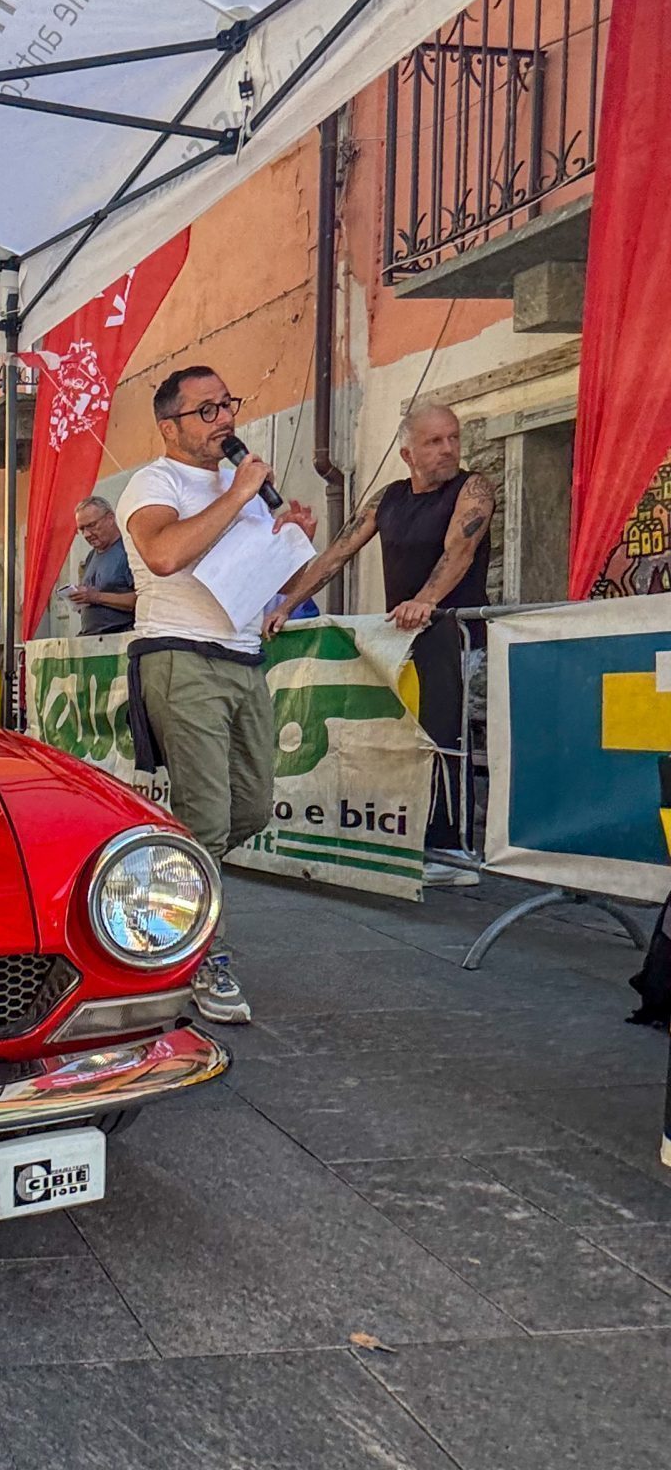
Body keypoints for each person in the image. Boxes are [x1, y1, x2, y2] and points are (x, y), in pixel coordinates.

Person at [117, 367, 314, 1028]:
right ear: (169, 426)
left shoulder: (241, 489)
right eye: (206, 410)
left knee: (251, 807)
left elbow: (265, 582)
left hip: (242, 656)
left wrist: (292, 543)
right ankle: (202, 956)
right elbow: (164, 554)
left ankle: (152, 891)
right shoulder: (157, 483)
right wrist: (239, 495)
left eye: (228, 404)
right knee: (205, 817)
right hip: (180, 654)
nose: (224, 418)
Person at [269, 401, 494, 884]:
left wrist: (425, 600)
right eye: (434, 441)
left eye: (453, 438)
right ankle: (413, 837)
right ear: (408, 453)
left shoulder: (473, 488)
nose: (448, 449)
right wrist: (286, 605)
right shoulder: (388, 498)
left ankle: (454, 852)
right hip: (403, 644)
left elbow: (461, 549)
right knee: (405, 741)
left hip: (456, 640)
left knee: (447, 740)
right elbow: (337, 553)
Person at [64, 498, 137, 635]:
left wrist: (96, 597)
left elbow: (143, 600)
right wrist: (80, 599)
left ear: (110, 518)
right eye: (81, 529)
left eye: (91, 525)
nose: (86, 534)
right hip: (91, 638)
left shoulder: (129, 550)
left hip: (120, 637)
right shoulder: (91, 556)